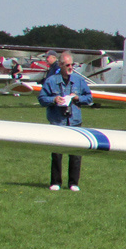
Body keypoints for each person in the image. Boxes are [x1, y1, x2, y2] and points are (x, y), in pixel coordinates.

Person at [38, 51, 93, 191]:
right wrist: (54, 100)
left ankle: (73, 183)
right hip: (57, 121)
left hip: (75, 121)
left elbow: (89, 98)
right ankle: (56, 182)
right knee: (57, 153)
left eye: (72, 64)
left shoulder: (79, 81)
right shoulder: (51, 81)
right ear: (60, 65)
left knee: (75, 153)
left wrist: (77, 98)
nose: (71, 67)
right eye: (67, 65)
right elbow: (41, 99)